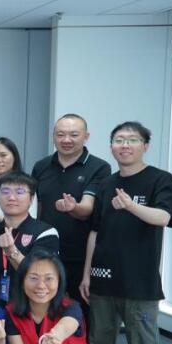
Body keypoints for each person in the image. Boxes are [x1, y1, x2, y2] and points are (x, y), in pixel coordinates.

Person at [80, 121, 172, 344]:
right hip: (102, 280)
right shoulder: (106, 184)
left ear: (145, 145)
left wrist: (130, 206)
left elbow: (164, 218)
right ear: (111, 146)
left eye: (132, 140)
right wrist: (87, 273)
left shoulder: (160, 180)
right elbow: (95, 232)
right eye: (119, 140)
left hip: (140, 285)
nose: (125, 145)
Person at [31, 114, 111, 318]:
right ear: (53, 137)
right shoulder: (41, 166)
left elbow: (88, 208)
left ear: (86, 136)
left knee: (80, 314)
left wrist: (73, 207)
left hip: (80, 255)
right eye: (60, 134)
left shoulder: (99, 167)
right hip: (45, 252)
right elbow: (36, 208)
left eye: (74, 135)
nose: (66, 140)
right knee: (44, 310)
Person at [0, 173, 59, 306]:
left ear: (31, 199)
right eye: (5, 192)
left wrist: (11, 251)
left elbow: (38, 275)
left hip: (30, 310)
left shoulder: (46, 233)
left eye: (19, 192)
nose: (11, 197)